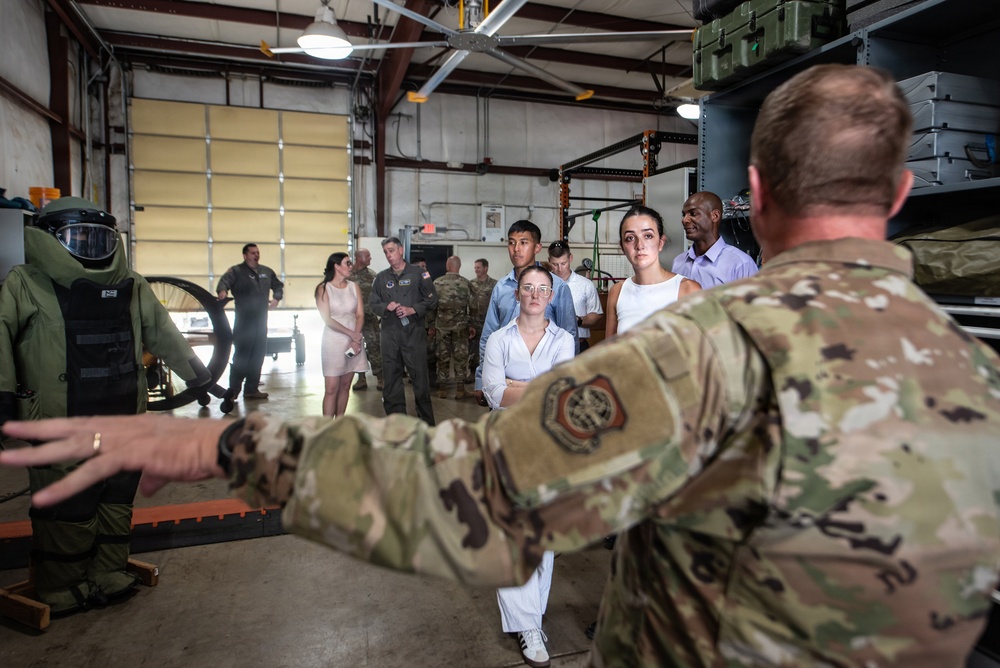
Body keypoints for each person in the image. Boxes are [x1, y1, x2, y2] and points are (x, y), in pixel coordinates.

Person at [6, 64, 1000, 668]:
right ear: (900, 194)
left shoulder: (709, 347)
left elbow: (479, 497)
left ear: (754, 191)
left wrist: (221, 442)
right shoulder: (977, 375)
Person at [0, 196, 211, 615]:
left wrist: (198, 376)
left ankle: (108, 571)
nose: (88, 247)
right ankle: (62, 586)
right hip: (61, 418)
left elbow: (162, 331)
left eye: (98, 239)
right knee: (68, 500)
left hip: (125, 414)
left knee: (117, 495)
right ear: (47, 238)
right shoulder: (25, 283)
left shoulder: (132, 284)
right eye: (77, 237)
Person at [481, 266, 574, 668]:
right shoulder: (498, 340)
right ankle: (527, 626)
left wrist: (516, 386)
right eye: (528, 288)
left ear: (551, 296)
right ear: (517, 293)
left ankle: (531, 617)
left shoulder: (564, 340)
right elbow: (493, 393)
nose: (535, 295)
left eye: (542, 289)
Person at [474, 221, 577, 406]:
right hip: (503, 388)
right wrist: (482, 379)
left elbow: (569, 333)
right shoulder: (501, 287)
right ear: (517, 293)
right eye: (512, 243)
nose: (516, 249)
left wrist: (512, 384)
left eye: (523, 242)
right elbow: (488, 334)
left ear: (537, 247)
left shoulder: (557, 286)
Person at [368, 237, 438, 424]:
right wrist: (385, 306)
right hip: (390, 335)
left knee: (420, 379)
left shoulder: (419, 274)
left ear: (401, 250)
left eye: (391, 250)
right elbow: (373, 303)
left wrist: (412, 309)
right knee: (391, 380)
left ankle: (427, 425)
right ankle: (397, 424)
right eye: (385, 252)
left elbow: (432, 299)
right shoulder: (381, 278)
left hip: (413, 333)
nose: (388, 255)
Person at [605, 205, 701, 337]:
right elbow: (610, 347)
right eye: (630, 238)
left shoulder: (687, 290)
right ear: (622, 247)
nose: (639, 245)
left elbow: (701, 347)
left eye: (648, 236)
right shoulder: (617, 292)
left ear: (661, 243)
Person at [216, 243, 283, 412]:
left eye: (258, 252)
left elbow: (278, 285)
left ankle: (251, 390)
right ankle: (233, 391)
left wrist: (276, 298)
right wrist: (222, 292)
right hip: (244, 321)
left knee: (258, 355)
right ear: (245, 255)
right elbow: (224, 282)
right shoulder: (236, 271)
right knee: (241, 356)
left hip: (261, 320)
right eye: (253, 253)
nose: (256, 255)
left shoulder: (266, 271)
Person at [315, 253, 367, 417]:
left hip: (354, 340)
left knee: (345, 386)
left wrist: (355, 338)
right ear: (336, 266)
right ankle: (326, 427)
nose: (351, 266)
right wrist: (352, 334)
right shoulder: (323, 288)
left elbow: (360, 315)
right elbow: (327, 319)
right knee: (331, 388)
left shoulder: (353, 287)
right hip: (334, 340)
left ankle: (339, 423)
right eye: (347, 263)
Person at [671, 191, 759, 287]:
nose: (684, 220)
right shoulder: (678, 262)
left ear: (715, 216)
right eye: (684, 215)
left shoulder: (741, 264)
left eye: (693, 213)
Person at [428, 256, 474, 399]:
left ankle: (442, 389)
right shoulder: (466, 283)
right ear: (459, 266)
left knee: (442, 356)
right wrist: (472, 325)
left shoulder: (437, 282)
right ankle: (460, 390)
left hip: (442, 326)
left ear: (448, 266)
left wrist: (430, 325)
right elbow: (473, 307)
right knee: (461, 357)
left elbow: (432, 306)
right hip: (461, 327)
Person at [547, 241, 603, 352]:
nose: (559, 268)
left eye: (563, 263)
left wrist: (577, 320)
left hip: (579, 344)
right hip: (549, 346)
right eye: (555, 264)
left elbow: (596, 316)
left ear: (570, 258)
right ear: (549, 261)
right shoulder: (543, 284)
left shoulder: (586, 285)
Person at [348, 248, 382, 392]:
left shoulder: (373, 276)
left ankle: (380, 377)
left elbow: (380, 297)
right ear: (358, 257)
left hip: (369, 318)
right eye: (367, 255)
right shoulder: (347, 275)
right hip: (352, 320)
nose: (370, 258)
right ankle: (360, 378)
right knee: (355, 347)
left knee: (375, 346)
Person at [467, 257, 497, 383]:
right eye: (475, 268)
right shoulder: (470, 284)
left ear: (486, 268)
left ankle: (488, 374)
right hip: (474, 322)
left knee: (489, 349)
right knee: (473, 349)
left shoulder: (494, 284)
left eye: (478, 267)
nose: (476, 270)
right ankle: (473, 373)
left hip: (488, 322)